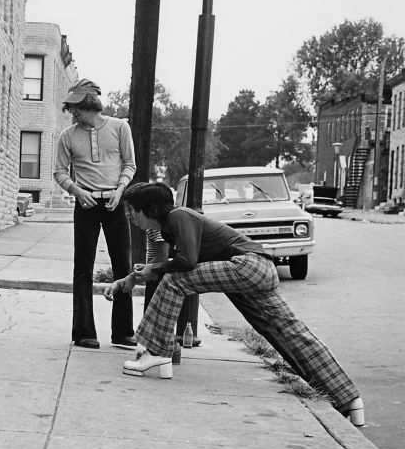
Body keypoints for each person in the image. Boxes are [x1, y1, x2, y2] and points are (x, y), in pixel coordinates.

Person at [105, 182, 365, 426]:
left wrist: (157, 269)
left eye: (133, 210)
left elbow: (185, 264)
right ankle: (348, 398)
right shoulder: (168, 228)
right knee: (285, 331)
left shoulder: (179, 216)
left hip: (248, 266)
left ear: (148, 209)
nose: (131, 216)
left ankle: (157, 353)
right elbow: (160, 266)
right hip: (259, 269)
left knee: (175, 280)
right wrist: (129, 279)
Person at [53, 79, 136, 350]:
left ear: (89, 103)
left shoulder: (120, 127)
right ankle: (84, 332)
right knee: (83, 268)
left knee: (122, 264)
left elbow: (129, 164)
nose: (72, 113)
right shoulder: (67, 136)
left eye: (76, 107)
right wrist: (77, 192)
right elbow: (60, 172)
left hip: (114, 203)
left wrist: (120, 190)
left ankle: (123, 332)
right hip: (85, 205)